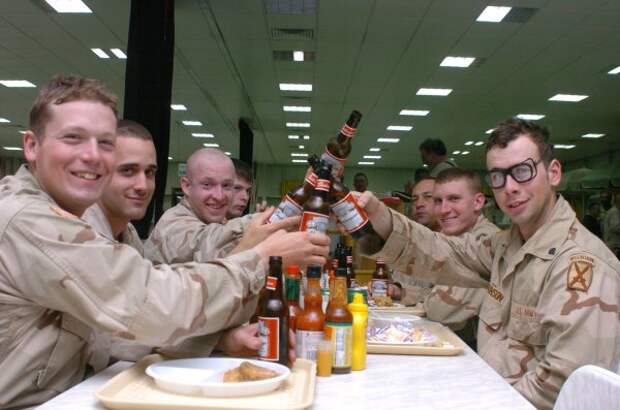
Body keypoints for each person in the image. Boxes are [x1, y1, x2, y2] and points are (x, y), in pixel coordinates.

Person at [0, 75, 329, 408]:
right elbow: (153, 303)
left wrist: (220, 341)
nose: (92, 155)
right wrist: (260, 259)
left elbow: (114, 333)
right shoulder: (28, 220)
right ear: (32, 146)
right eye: (73, 138)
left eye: (106, 143)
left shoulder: (117, 231)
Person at [357, 118, 620, 409]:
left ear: (553, 173)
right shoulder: (506, 245)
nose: (510, 187)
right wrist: (381, 218)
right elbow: (445, 253)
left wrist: (477, 399)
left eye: (523, 171)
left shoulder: (581, 264)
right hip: (491, 390)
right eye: (498, 176)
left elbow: (564, 387)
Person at [82, 120, 260, 362]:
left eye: (150, 173)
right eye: (127, 171)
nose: (142, 185)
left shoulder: (127, 233)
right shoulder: (83, 234)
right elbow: (120, 334)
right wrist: (269, 226)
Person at [144, 148, 298, 265]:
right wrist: (270, 219)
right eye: (207, 185)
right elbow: (210, 243)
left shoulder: (215, 220)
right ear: (186, 186)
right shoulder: (173, 225)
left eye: (227, 186)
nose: (219, 196)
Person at [422, 168, 498, 349]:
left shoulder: (485, 242)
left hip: (477, 352)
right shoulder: (450, 237)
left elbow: (439, 311)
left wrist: (424, 300)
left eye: (454, 199)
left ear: (478, 202)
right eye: (438, 201)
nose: (444, 210)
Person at [390, 177, 439, 304]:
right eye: (414, 199)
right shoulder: (406, 244)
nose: (419, 204)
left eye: (428, 196)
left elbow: (450, 301)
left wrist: (401, 292)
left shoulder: (458, 247)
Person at [603, 194, 620, 259]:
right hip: (614, 246)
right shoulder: (614, 212)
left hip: (611, 244)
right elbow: (616, 227)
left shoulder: (612, 211)